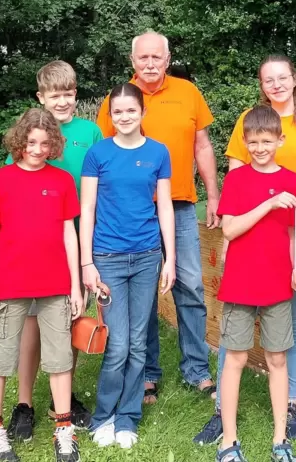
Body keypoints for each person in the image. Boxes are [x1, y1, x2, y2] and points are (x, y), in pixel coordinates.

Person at [194, 54, 296, 445]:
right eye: (268, 79)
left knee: (295, 320)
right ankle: (221, 414)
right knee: (235, 329)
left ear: (294, 80)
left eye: (283, 77)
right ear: (262, 85)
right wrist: (232, 241)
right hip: (250, 223)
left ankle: (290, 401)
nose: (276, 84)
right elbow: (235, 174)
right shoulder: (251, 118)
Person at [95, 31, 218, 402]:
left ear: (168, 59)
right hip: (131, 212)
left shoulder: (188, 93)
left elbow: (202, 145)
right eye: (142, 58)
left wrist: (213, 194)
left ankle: (196, 368)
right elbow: (103, 155)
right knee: (143, 295)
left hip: (179, 206)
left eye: (156, 58)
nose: (150, 64)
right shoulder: (118, 99)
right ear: (132, 61)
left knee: (191, 287)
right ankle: (147, 371)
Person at [0, 108, 84, 462]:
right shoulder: (0, 180)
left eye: (45, 143)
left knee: (60, 358)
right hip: (9, 285)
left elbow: (70, 234)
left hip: (56, 285)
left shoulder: (62, 181)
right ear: (19, 143)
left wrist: (76, 286)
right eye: (31, 143)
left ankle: (64, 429)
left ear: (54, 144)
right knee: (2, 358)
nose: (37, 149)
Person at [5, 60, 102, 441]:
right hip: (35, 249)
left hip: (76, 241)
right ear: (41, 97)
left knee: (70, 321)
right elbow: (11, 190)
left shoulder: (90, 132)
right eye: (54, 95)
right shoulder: (30, 134)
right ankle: (24, 403)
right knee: (31, 328)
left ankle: (64, 396)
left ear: (76, 94)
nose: (62, 102)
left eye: (69, 94)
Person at [81, 83, 176, 449]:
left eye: (130, 111)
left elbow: (165, 206)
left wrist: (171, 258)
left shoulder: (158, 153)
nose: (124, 117)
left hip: (148, 256)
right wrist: (87, 262)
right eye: (117, 112)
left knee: (138, 342)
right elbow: (86, 209)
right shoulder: (98, 154)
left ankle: (128, 418)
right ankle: (103, 415)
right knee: (118, 343)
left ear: (142, 113)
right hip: (107, 258)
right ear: (110, 116)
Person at [215, 105, 296, 462]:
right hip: (240, 282)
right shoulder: (237, 180)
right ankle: (229, 441)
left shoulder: (293, 181)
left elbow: (293, 230)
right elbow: (230, 228)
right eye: (253, 142)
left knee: (277, 359)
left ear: (280, 140)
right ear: (245, 142)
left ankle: (280, 440)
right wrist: (269, 203)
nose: (259, 148)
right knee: (235, 358)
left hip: (277, 283)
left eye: (266, 141)